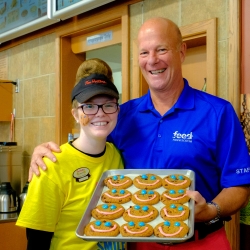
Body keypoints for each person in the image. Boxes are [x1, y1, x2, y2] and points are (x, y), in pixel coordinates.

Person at [28, 17, 250, 250]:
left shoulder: (217, 112)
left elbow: (240, 186)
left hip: (202, 241)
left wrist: (210, 210)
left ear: (181, 51)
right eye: (144, 53)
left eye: (161, 49)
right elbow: (91, 151)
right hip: (138, 241)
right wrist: (49, 153)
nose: (152, 60)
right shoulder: (123, 115)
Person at [16, 58, 126, 250]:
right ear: (75, 113)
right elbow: (36, 244)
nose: (100, 113)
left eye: (108, 105)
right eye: (89, 106)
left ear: (117, 110)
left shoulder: (117, 155)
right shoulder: (50, 167)